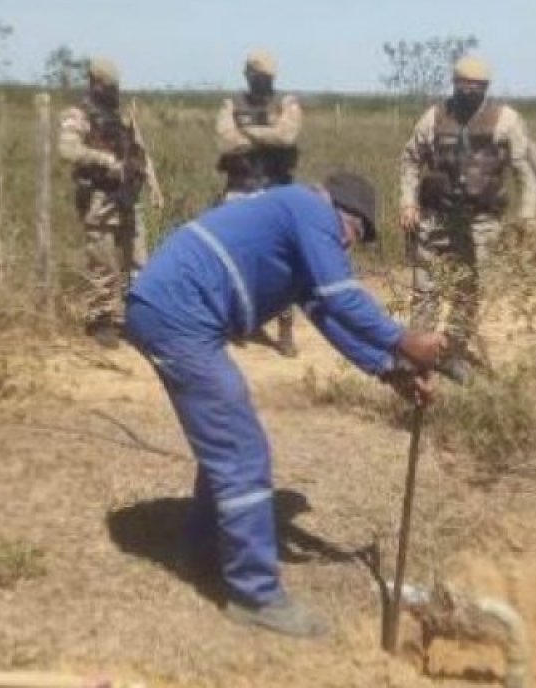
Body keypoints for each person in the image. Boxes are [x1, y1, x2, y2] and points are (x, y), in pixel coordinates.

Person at [124, 173, 444, 639]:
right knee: (242, 450)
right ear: (340, 211)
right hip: (178, 314)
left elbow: (329, 314)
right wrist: (405, 340)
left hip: (172, 310)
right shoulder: (309, 208)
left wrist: (388, 368)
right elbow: (342, 296)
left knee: (226, 439)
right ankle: (254, 596)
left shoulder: (297, 230)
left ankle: (201, 550)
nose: (348, 246)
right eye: (354, 233)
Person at [398, 55, 536, 384]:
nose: (470, 92)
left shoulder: (506, 120)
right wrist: (407, 203)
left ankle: (452, 353)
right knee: (425, 288)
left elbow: (525, 171)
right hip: (435, 217)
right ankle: (418, 354)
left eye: (477, 87)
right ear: (454, 84)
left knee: (468, 291)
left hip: (481, 222)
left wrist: (526, 217)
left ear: (487, 87)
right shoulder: (434, 117)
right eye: (464, 85)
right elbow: (410, 159)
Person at [58, 58, 163, 348]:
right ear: (95, 83)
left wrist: (153, 183)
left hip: (128, 195)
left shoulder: (122, 114)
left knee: (139, 261)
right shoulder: (78, 115)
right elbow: (67, 149)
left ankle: (138, 318)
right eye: (108, 85)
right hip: (99, 197)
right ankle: (102, 320)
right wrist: (104, 160)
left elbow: (139, 150)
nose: (113, 91)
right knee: (103, 262)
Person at [214, 50, 303, 357]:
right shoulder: (231, 104)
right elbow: (226, 142)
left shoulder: (287, 103)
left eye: (267, 78)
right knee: (233, 256)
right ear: (247, 76)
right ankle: (234, 319)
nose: (263, 82)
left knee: (283, 258)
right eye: (258, 77)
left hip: (276, 190)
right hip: (240, 189)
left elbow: (287, 136)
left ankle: (285, 325)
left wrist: (247, 133)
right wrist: (267, 135)